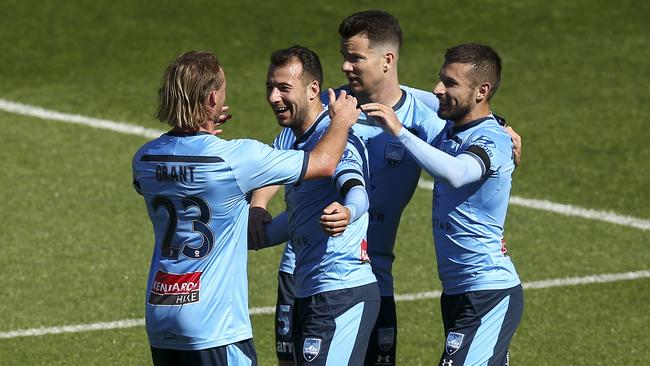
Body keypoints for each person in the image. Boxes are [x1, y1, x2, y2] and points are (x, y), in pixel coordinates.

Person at [249, 10, 522, 366]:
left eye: (355, 57)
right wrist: (258, 205)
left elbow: (465, 117)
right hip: (306, 266)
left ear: (386, 60)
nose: (345, 66)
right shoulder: (329, 110)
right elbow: (280, 160)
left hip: (373, 272)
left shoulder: (423, 118)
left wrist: (500, 126)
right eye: (344, 56)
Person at [132, 50, 360, 366]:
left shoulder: (144, 159)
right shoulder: (236, 158)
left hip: (161, 313)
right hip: (214, 323)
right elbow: (323, 163)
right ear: (213, 99)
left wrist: (201, 131)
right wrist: (342, 121)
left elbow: (175, 178)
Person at [363, 43, 524, 366]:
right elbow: (401, 93)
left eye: (450, 83)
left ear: (482, 91)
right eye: (440, 79)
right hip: (456, 292)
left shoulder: (491, 139)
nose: (438, 89)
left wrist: (400, 133)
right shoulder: (450, 128)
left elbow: (458, 172)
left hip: (488, 291)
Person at [252, 45, 380, 366]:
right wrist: (253, 232)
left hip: (341, 291)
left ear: (312, 90)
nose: (273, 97)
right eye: (270, 87)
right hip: (310, 292)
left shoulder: (336, 136)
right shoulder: (294, 138)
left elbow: (356, 189)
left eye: (284, 88)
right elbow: (299, 218)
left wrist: (348, 211)